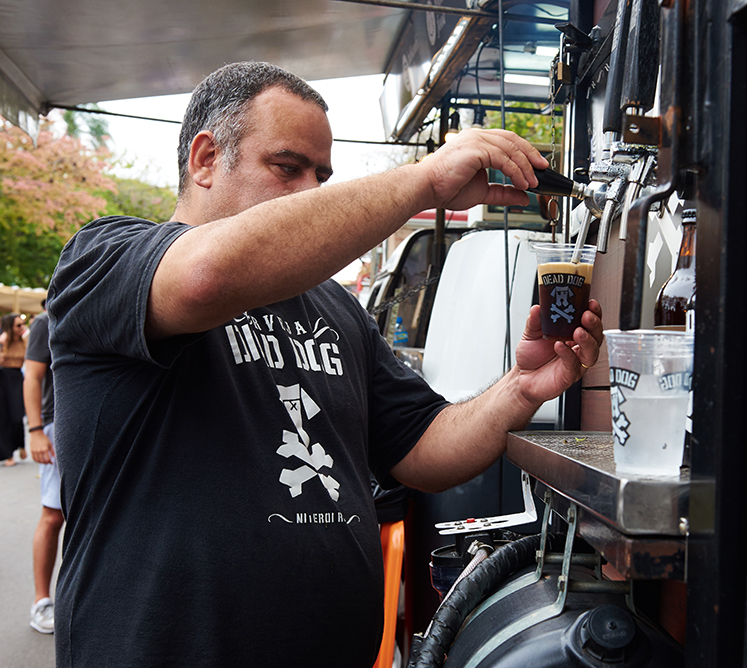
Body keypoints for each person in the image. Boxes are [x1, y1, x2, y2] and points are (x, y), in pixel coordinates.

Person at [47, 61, 603, 667]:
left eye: (323, 174)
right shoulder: (104, 259)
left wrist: (522, 389)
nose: (311, 190)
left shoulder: (334, 308)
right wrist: (424, 181)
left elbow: (425, 449)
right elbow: (204, 278)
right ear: (205, 159)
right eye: (287, 167)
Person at [23, 304, 63, 634]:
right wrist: (36, 430)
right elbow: (33, 376)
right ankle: (41, 600)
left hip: (96, 424)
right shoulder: (44, 321)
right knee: (53, 515)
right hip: (55, 427)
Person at [0, 313, 28, 466]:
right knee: (4, 417)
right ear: (10, 327)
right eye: (18, 325)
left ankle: (21, 445)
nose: (22, 327)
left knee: (18, 415)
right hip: (3, 377)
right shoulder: (3, 341)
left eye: (22, 324)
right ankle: (8, 454)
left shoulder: (25, 341)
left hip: (17, 378)